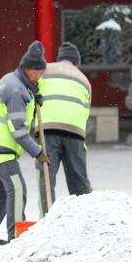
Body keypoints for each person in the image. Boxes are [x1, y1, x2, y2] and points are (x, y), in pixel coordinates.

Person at [0, 40, 49, 244]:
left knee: (2, 191)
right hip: (1, 147)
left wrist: (35, 97)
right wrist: (38, 152)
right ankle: (16, 236)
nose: (40, 77)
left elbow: (31, 91)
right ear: (27, 69)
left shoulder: (15, 79)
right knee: (17, 189)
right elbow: (17, 130)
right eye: (38, 73)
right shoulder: (16, 90)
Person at [36, 41, 93, 213]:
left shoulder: (44, 70)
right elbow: (86, 111)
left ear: (59, 59)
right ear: (76, 63)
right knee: (78, 179)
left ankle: (47, 218)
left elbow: (33, 96)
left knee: (47, 177)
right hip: (75, 132)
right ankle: (84, 216)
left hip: (47, 128)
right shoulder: (84, 79)